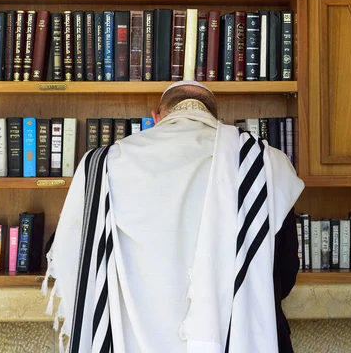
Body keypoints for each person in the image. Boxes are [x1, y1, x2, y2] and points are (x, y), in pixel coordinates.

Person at [42, 80, 304, 353]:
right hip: (236, 339)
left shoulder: (102, 164)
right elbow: (282, 273)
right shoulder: (262, 162)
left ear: (157, 117)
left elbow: (69, 255)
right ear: (216, 119)